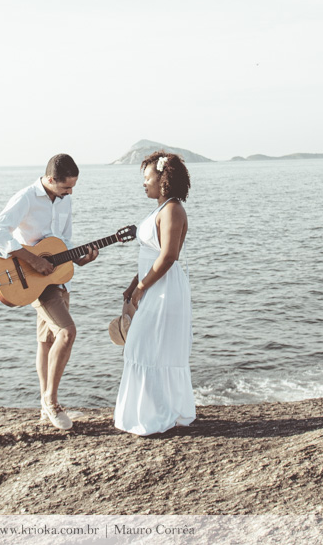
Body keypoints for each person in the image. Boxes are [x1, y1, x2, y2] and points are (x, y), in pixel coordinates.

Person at [0, 153, 98, 430]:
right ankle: (51, 402)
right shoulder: (26, 198)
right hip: (31, 277)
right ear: (50, 179)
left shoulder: (65, 200)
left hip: (59, 276)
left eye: (72, 187)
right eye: (65, 188)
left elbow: (65, 241)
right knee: (67, 332)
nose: (69, 192)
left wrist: (79, 258)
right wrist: (31, 258)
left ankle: (44, 407)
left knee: (47, 341)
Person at [114, 150, 195, 436]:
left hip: (164, 289)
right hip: (152, 284)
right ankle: (151, 412)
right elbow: (151, 255)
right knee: (142, 347)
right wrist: (132, 283)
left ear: (163, 179)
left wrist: (141, 287)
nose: (143, 183)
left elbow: (169, 256)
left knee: (148, 347)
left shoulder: (173, 209)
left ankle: (159, 414)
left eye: (147, 177)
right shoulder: (158, 209)